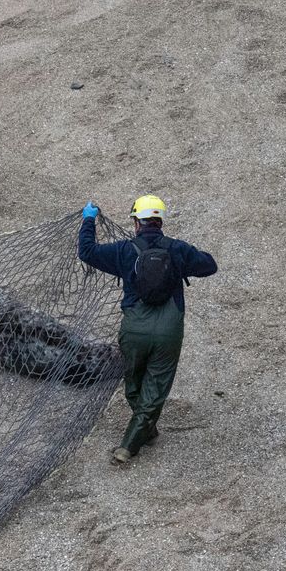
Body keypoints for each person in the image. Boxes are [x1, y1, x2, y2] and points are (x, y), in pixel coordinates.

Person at [78, 195, 217, 465]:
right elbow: (209, 266)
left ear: (136, 222)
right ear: (160, 221)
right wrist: (187, 256)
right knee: (156, 386)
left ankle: (143, 432)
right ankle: (131, 443)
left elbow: (87, 251)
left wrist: (89, 219)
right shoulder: (177, 249)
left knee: (134, 383)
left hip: (134, 328)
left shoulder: (123, 250)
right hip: (168, 330)